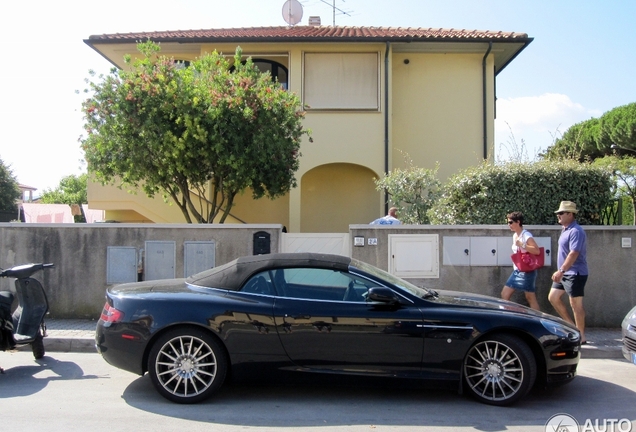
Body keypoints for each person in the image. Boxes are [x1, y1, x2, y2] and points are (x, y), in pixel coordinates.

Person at [548, 201, 588, 344]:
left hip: (575, 273)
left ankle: (581, 336)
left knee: (576, 305)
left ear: (570, 214)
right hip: (564, 273)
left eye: (561, 213)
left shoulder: (576, 231)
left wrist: (561, 270)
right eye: (558, 213)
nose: (558, 216)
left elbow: (574, 253)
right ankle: (572, 328)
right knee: (553, 297)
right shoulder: (565, 230)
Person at [501, 211, 541, 310]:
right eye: (508, 222)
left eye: (510, 222)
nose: (508, 225)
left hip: (527, 271)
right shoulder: (515, 235)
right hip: (518, 271)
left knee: (530, 298)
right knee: (504, 294)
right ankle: (516, 316)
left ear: (518, 222)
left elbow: (537, 251)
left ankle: (537, 321)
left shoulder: (526, 235)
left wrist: (522, 245)